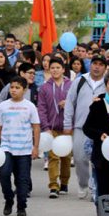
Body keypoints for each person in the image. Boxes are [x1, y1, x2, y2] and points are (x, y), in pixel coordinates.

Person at [0, 76, 41, 216]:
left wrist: (35, 147)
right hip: (6, 148)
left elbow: (36, 127)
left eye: (17, 88)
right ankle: (8, 199)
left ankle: (21, 206)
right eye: (12, 87)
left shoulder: (30, 106)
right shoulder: (3, 106)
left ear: (24, 90)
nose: (13, 90)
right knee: (4, 174)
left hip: (24, 149)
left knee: (23, 179)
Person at [63, 55, 108, 200]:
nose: (97, 67)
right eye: (95, 63)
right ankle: (83, 183)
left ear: (105, 67)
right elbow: (70, 102)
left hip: (102, 129)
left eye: (101, 64)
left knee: (99, 160)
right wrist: (67, 124)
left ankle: (95, 186)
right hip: (80, 127)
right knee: (79, 158)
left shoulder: (108, 82)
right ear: (90, 65)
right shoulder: (80, 81)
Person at [38, 57, 72, 198]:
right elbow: (41, 108)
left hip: (67, 128)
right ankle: (53, 185)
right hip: (51, 128)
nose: (55, 70)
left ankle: (64, 182)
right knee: (53, 157)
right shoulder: (45, 87)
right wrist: (45, 127)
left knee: (66, 157)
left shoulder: (71, 85)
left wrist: (68, 104)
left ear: (63, 69)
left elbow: (76, 104)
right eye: (52, 68)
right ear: (49, 69)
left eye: (58, 67)